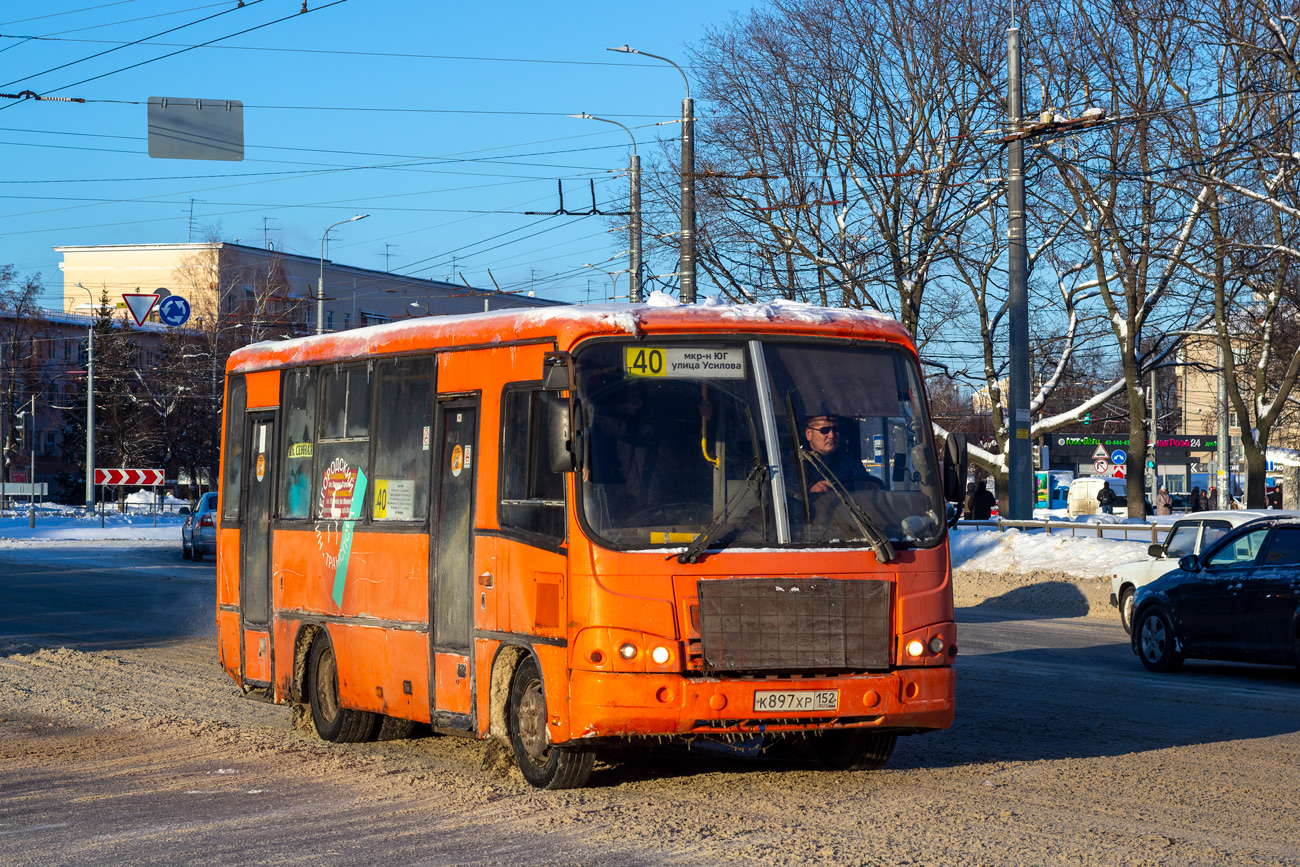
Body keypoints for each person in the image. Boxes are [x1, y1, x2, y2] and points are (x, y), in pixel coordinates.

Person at [801, 414, 877, 493]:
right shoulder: (797, 462)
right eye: (825, 430)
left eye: (835, 429)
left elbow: (864, 484)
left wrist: (870, 486)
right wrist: (811, 492)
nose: (832, 435)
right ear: (809, 434)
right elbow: (792, 496)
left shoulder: (850, 460)